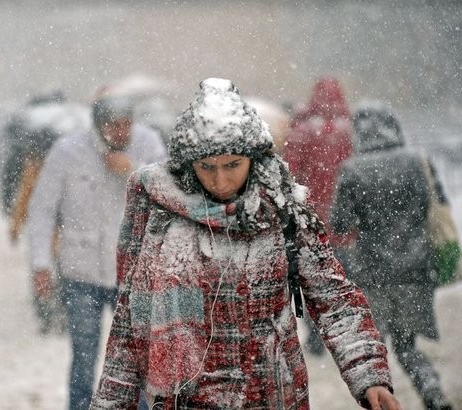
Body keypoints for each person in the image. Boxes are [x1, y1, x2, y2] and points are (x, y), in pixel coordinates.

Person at [90, 78, 400, 410]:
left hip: (271, 394)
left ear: (253, 159)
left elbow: (335, 299)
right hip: (187, 399)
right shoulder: (161, 215)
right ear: (188, 164)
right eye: (207, 167)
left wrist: (370, 376)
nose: (220, 180)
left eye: (232, 165)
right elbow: (130, 323)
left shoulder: (283, 211)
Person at [27, 91, 166, 409]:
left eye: (126, 125)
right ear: (97, 125)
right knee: (83, 357)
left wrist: (132, 169)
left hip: (133, 274)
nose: (121, 132)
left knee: (137, 359)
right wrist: (40, 263)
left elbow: (167, 191)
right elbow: (42, 209)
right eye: (113, 126)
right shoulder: (67, 151)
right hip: (81, 272)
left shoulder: (148, 143)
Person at [331, 102, 453, 410]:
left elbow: (340, 222)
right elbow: (435, 203)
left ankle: (378, 400)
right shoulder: (416, 160)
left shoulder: (353, 169)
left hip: (374, 271)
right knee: (406, 344)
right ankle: (433, 394)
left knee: (373, 346)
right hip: (416, 269)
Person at [283, 76, 354, 356]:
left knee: (313, 279)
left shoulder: (300, 130)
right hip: (344, 220)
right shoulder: (350, 131)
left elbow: (289, 172)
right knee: (342, 279)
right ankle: (343, 333)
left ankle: (315, 336)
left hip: (311, 219)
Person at [8, 100, 91, 334]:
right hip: (69, 228)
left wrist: (15, 224)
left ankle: (46, 315)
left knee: (42, 270)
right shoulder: (75, 161)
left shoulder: (35, 162)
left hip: (47, 228)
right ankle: (65, 315)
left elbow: (25, 195)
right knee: (66, 273)